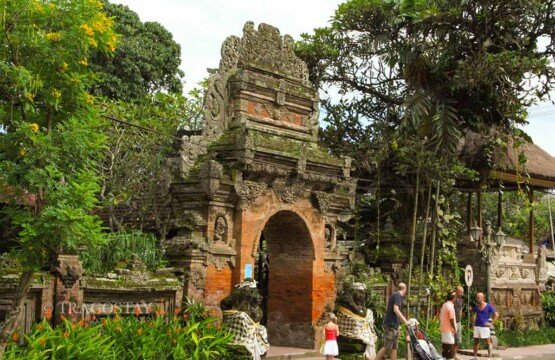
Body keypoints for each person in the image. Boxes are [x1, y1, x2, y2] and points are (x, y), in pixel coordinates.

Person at [375, 282, 409, 360]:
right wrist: (405, 321)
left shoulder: (396, 295)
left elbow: (394, 313)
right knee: (387, 347)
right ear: (405, 290)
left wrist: (398, 325)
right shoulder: (397, 295)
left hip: (394, 326)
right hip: (391, 326)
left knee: (394, 347)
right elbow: (395, 309)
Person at [471, 292, 499, 360]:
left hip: (485, 327)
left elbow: (496, 314)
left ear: (482, 298)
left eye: (478, 297)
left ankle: (489, 357)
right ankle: (475, 357)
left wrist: (491, 323)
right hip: (477, 326)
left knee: (488, 341)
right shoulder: (476, 306)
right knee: (476, 342)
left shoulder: (488, 306)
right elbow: (472, 314)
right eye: (476, 297)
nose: (476, 299)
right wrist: (473, 322)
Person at [440, 292, 457, 359]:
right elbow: (451, 319)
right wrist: (454, 328)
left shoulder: (444, 304)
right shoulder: (450, 307)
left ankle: (445, 357)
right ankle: (451, 358)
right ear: (453, 298)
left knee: (445, 344)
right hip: (449, 329)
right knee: (451, 344)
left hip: (443, 328)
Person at [453, 286, 464, 360]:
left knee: (457, 340)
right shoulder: (451, 299)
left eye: (462, 292)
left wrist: (460, 319)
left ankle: (455, 355)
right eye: (460, 292)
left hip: (458, 322)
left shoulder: (461, 300)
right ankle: (449, 355)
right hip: (451, 322)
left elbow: (460, 310)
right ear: (456, 291)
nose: (462, 293)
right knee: (450, 339)